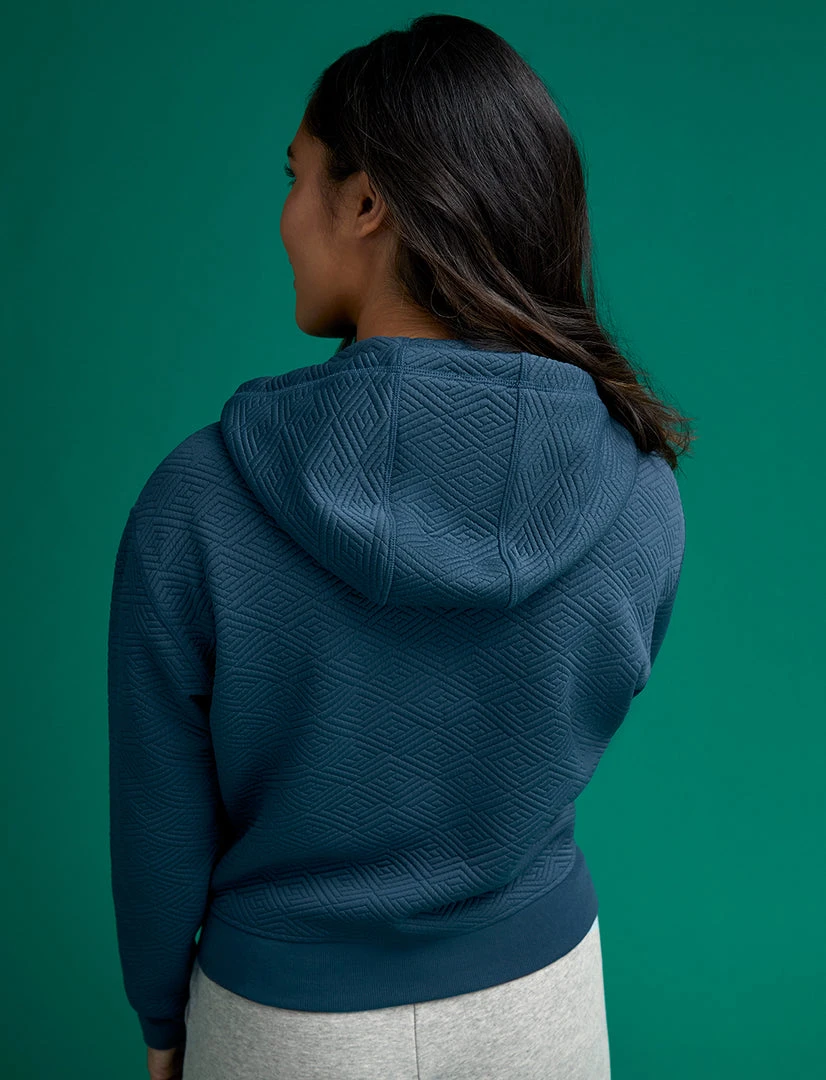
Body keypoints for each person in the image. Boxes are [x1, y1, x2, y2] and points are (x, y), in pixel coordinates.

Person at [108, 13, 694, 1080]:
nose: (285, 217)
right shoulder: (638, 494)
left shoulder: (196, 502)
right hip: (540, 1008)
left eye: (298, 177)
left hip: (285, 1026)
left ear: (367, 200)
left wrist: (161, 1018)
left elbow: (159, 817)